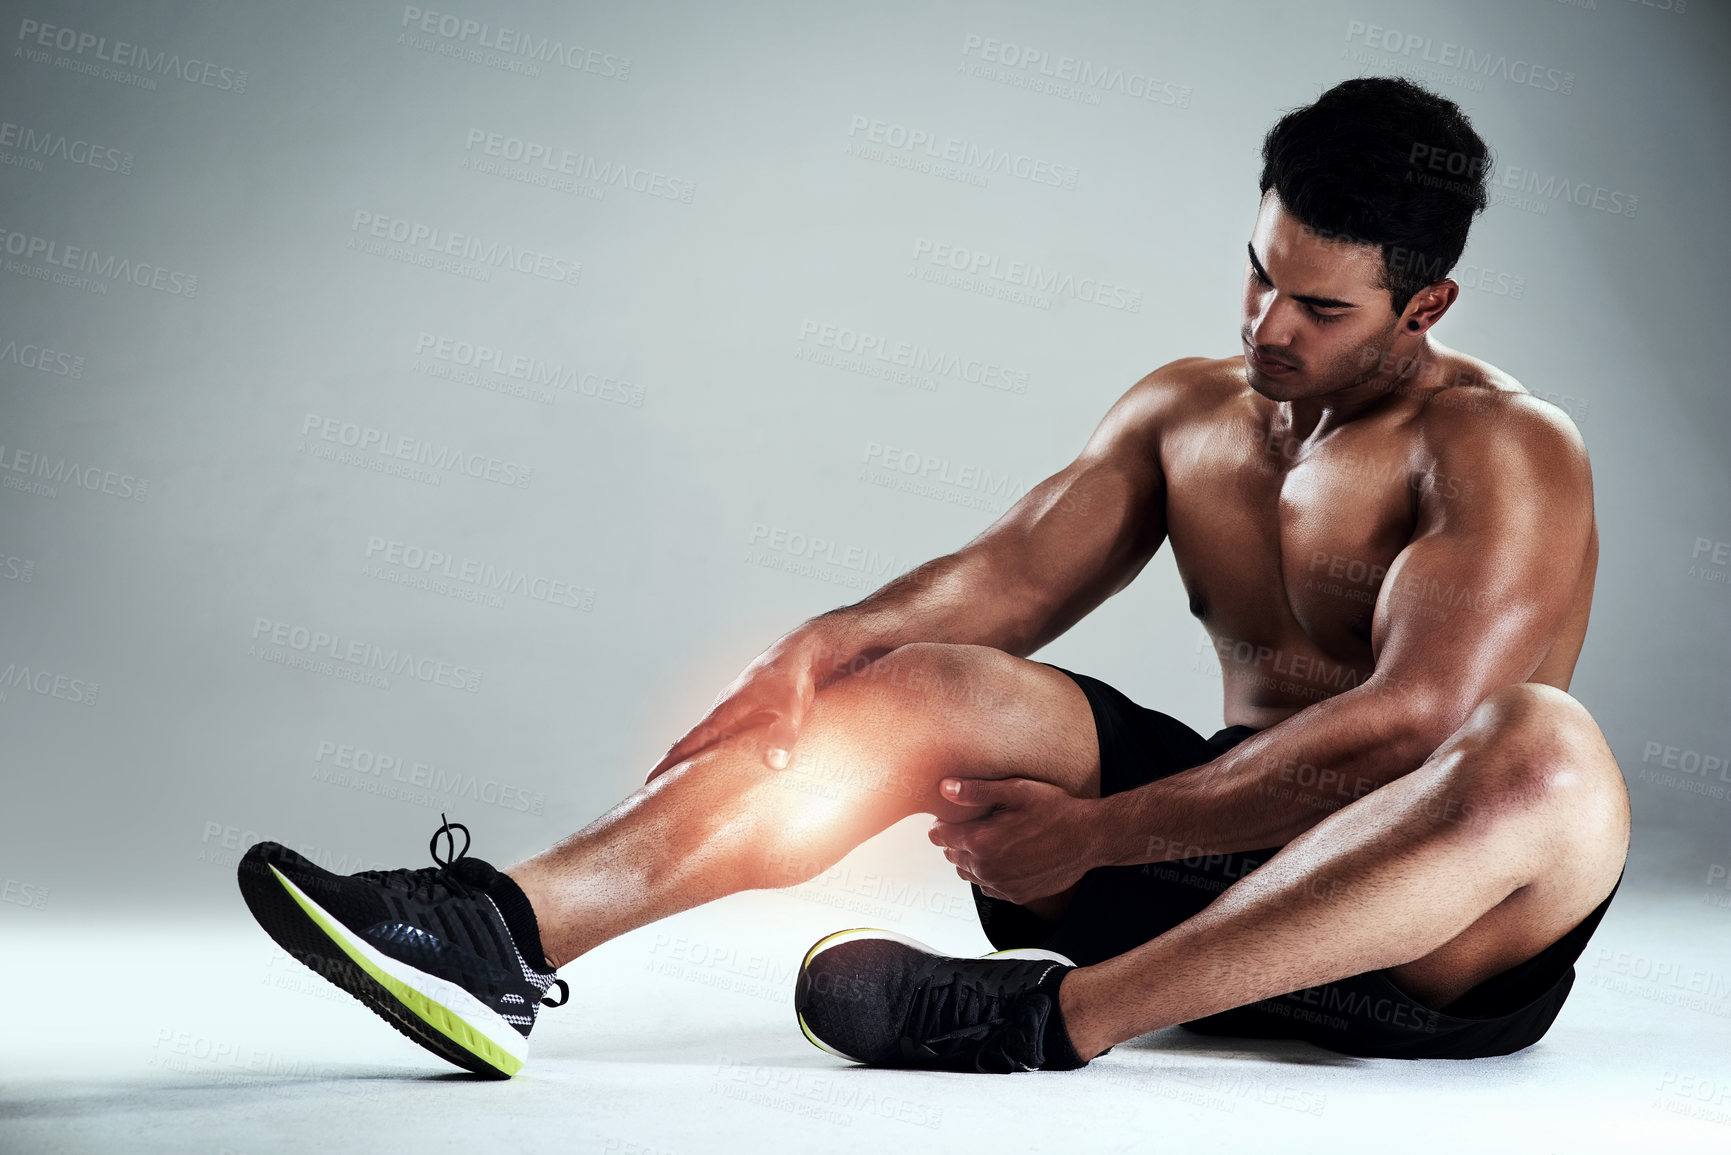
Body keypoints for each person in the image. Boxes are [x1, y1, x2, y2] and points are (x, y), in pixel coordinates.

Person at [238, 76, 1627, 1078]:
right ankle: (500, 931)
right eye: (1257, 276)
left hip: (1428, 951)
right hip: (1209, 865)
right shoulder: (1191, 413)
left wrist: (1098, 837)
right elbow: (1009, 578)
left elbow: (1412, 723)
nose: (1267, 325)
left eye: (1319, 309)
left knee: (1542, 751)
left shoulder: (1501, 450)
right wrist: (826, 642)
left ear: (1426, 307)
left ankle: (1048, 1020)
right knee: (925, 684)